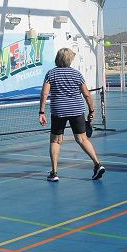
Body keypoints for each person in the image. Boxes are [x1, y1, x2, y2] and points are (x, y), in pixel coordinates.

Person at [39, 48, 105, 182]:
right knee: (82, 139)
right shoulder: (76, 74)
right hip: (76, 110)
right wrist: (91, 111)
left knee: (55, 140)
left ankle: (54, 173)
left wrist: (41, 112)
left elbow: (44, 94)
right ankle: (97, 164)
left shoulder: (51, 73)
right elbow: (87, 95)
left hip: (58, 111)